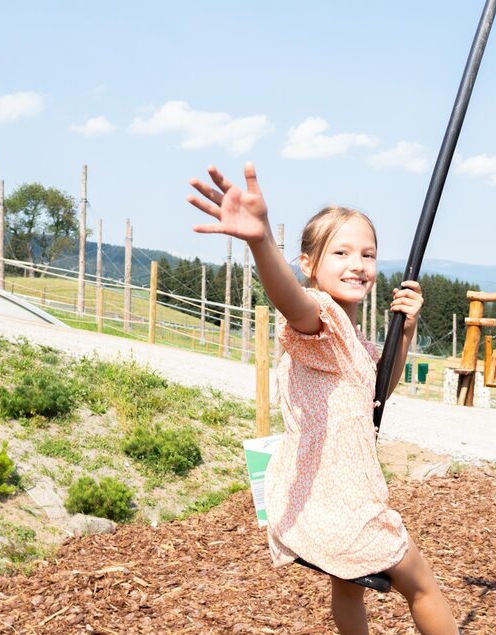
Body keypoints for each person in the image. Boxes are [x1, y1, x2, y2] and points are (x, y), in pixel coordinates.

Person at [189, 163, 458, 634]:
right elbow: (292, 301)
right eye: (342, 252)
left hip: (317, 500)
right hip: (343, 503)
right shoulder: (322, 317)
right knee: (423, 588)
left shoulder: (350, 337)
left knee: (349, 588)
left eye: (368, 254)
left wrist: (407, 330)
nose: (358, 263)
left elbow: (377, 394)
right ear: (309, 264)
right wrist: (260, 241)